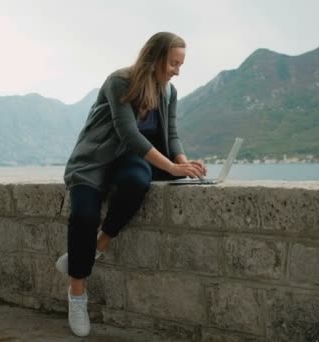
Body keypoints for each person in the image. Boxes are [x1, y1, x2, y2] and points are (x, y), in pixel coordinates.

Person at [56, 32, 207, 337]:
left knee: (139, 182)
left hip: (132, 161)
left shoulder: (169, 92)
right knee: (84, 215)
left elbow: (172, 134)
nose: (178, 70)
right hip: (95, 161)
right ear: (155, 58)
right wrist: (172, 167)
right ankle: (77, 294)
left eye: (181, 64)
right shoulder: (119, 82)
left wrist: (184, 163)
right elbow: (129, 134)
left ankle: (97, 247)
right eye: (174, 63)